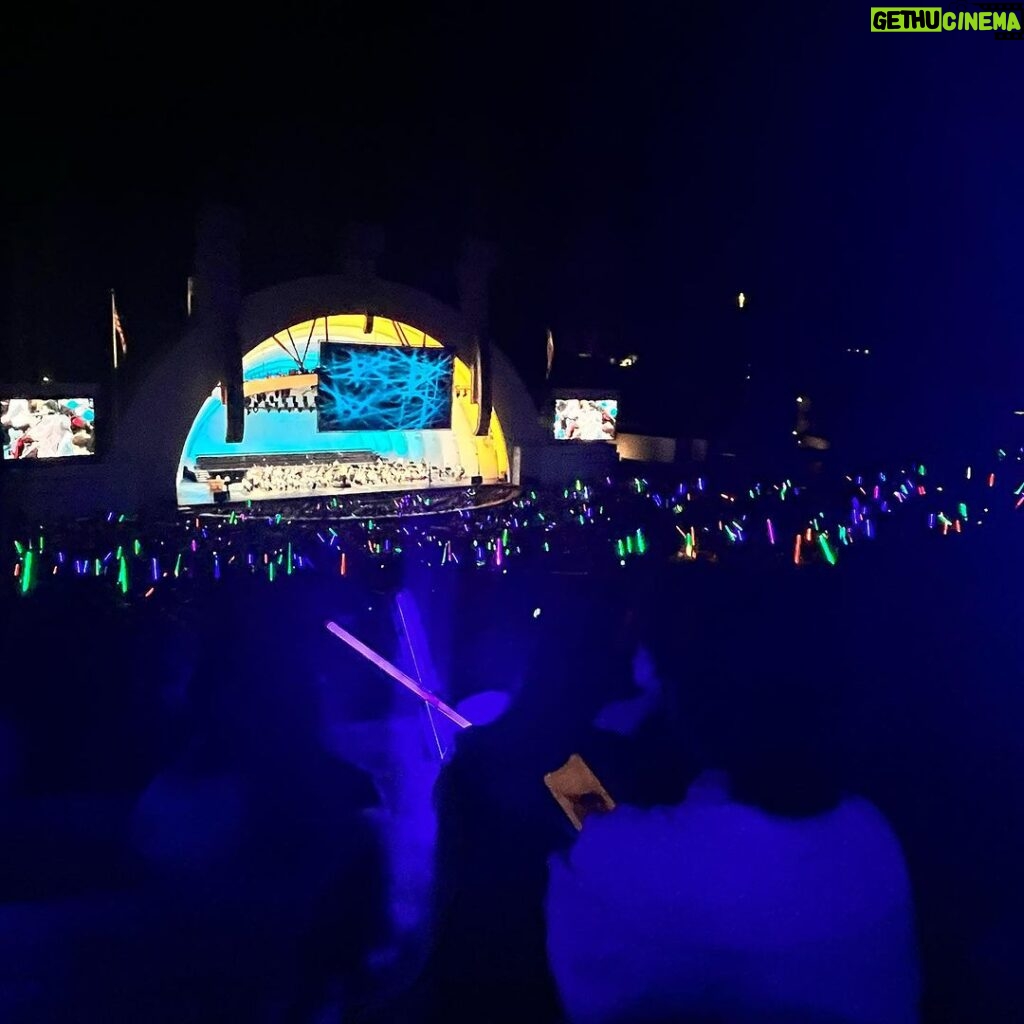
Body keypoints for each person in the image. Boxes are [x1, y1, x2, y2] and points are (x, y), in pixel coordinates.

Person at [546, 570, 921, 1024]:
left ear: (676, 691)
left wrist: (583, 748)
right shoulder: (870, 835)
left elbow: (586, 987)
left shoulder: (628, 858)